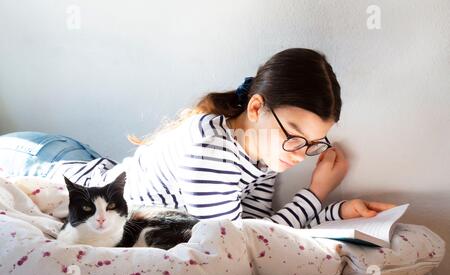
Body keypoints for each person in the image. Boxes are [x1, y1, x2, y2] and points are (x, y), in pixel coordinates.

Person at [0, 48, 396, 229]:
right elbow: (243, 241)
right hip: (45, 163)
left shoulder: (260, 154)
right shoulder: (211, 153)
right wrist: (318, 193)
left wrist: (338, 214)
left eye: (313, 144)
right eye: (295, 135)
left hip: (94, 164)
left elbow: (258, 225)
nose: (302, 154)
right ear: (256, 109)